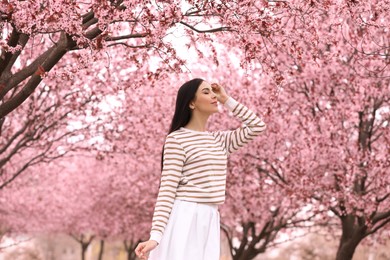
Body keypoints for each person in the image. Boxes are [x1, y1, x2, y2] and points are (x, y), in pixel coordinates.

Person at [135, 78, 266, 260]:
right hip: (185, 216)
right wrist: (155, 236)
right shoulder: (177, 140)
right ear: (191, 103)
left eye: (212, 92)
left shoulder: (219, 141)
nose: (213, 96)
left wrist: (226, 99)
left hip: (210, 217)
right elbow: (167, 189)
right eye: (206, 92)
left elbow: (257, 126)